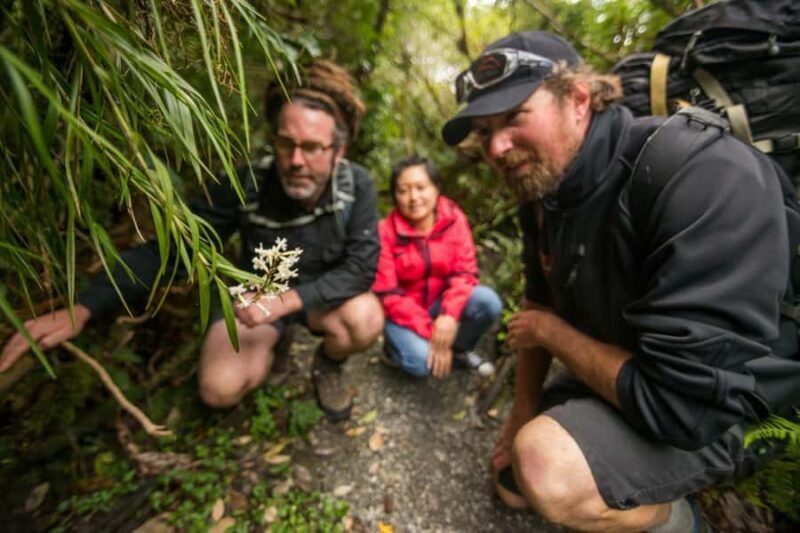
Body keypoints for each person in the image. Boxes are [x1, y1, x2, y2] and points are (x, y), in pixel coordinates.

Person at [441, 30, 800, 532]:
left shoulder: (695, 173)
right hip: (643, 365)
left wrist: (551, 334)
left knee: (547, 468)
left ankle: (684, 522)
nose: (497, 147)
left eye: (515, 117)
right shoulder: (545, 192)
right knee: (514, 485)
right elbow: (539, 295)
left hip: (732, 409)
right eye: (484, 132)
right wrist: (522, 409)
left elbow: (681, 412)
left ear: (580, 99)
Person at [0, 60, 384, 422]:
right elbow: (176, 251)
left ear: (338, 152)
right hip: (257, 296)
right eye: (286, 144)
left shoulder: (356, 186)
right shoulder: (246, 183)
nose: (296, 160)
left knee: (364, 320)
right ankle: (274, 347)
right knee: (219, 389)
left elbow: (360, 269)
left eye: (313, 148)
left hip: (317, 296)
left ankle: (328, 364)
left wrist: (285, 303)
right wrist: (84, 307)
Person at [372, 156, 501, 378]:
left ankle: (460, 350)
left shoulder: (453, 218)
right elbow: (388, 294)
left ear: (436, 188)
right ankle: (393, 349)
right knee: (422, 365)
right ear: (394, 196)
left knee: (488, 302)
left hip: (439, 303)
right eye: (403, 190)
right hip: (403, 313)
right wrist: (433, 334)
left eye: (421, 187)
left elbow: (464, 272)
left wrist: (449, 317)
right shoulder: (384, 232)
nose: (414, 198)